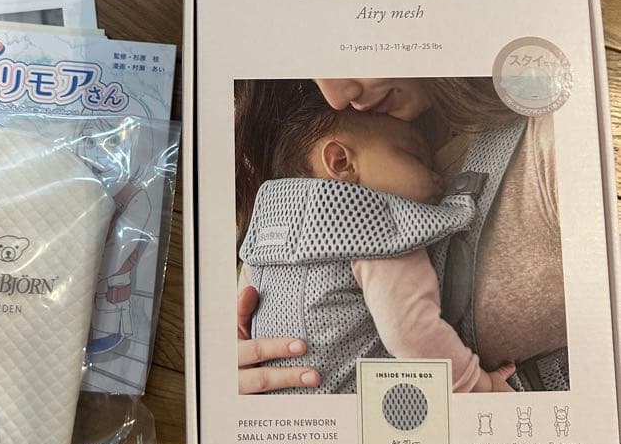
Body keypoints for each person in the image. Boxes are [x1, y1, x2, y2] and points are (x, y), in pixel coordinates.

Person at [236, 77, 567, 394]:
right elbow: (410, 331)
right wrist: (478, 386)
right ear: (340, 161)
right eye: (415, 157)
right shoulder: (380, 232)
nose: (336, 97)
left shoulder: (274, 223)